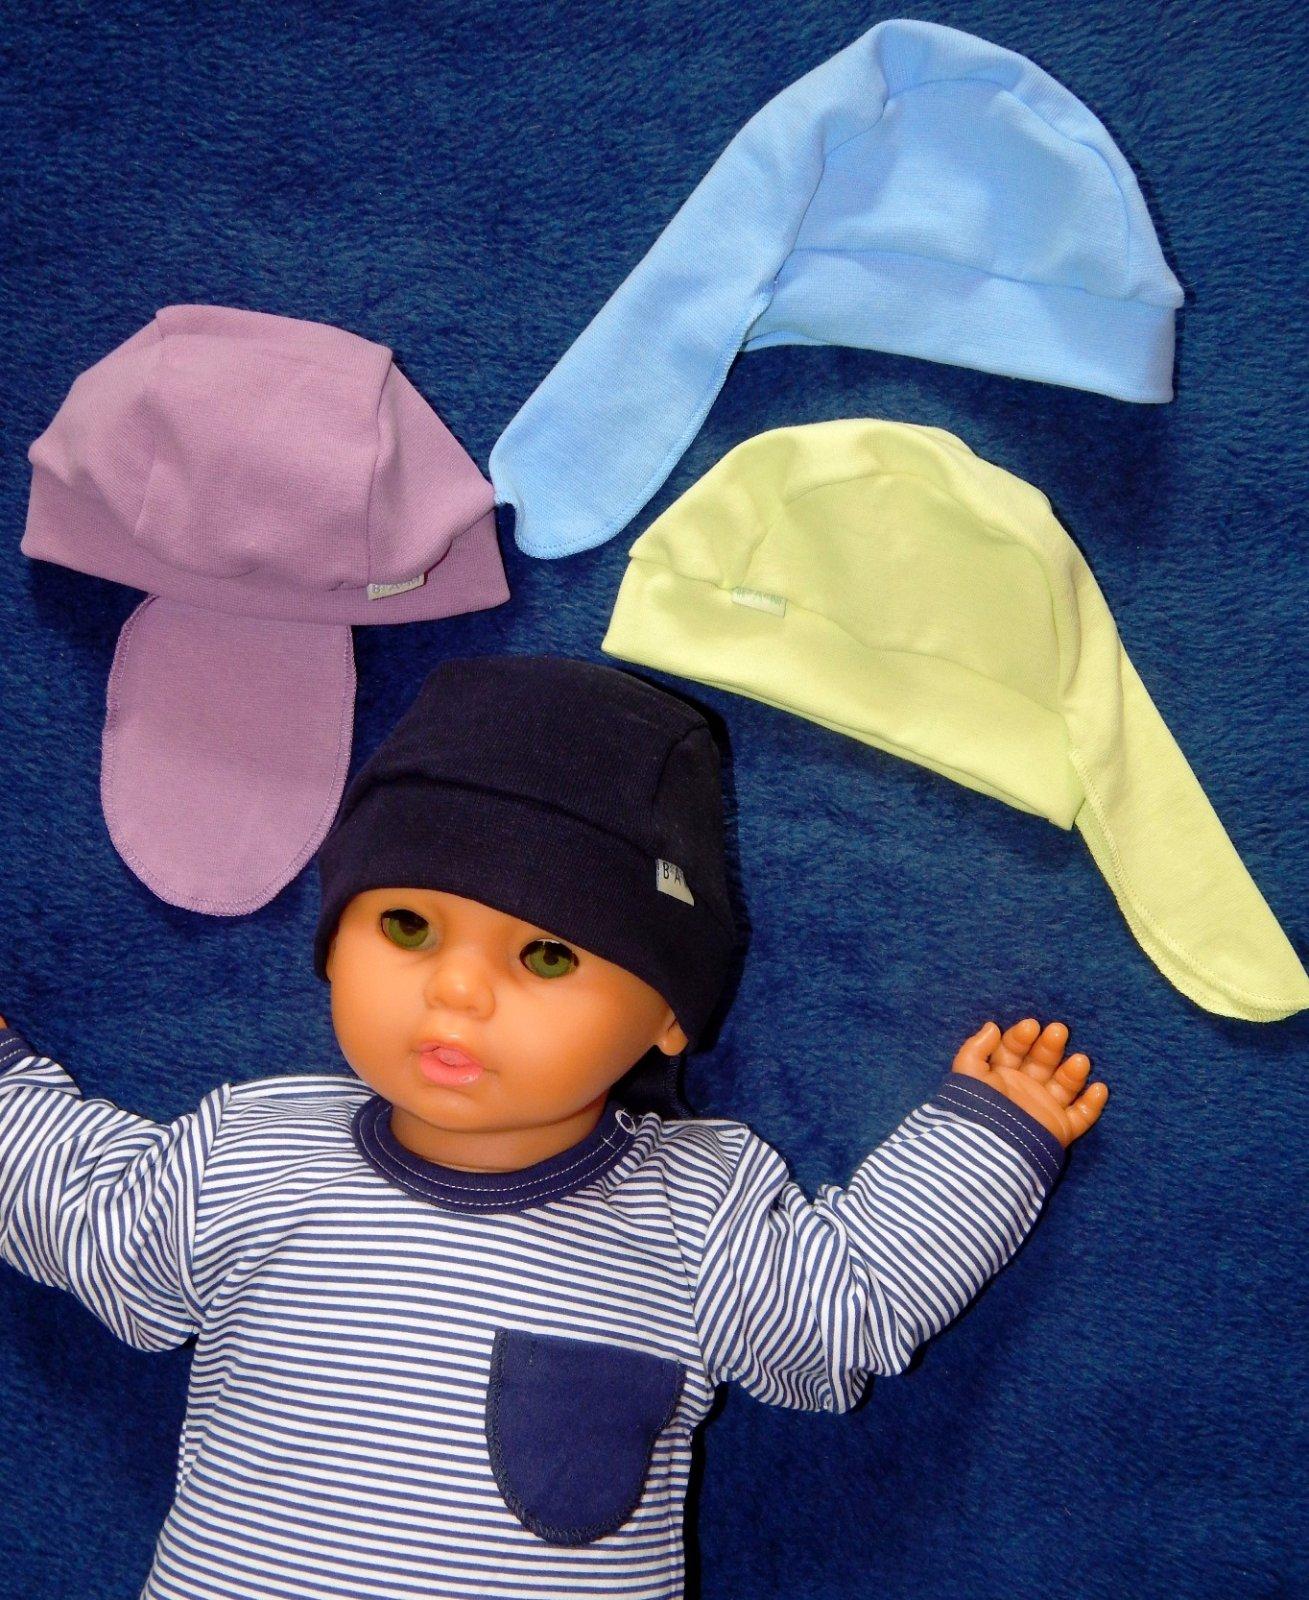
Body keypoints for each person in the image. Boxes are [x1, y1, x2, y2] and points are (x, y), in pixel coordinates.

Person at [0, 654, 1107, 1600]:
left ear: (668, 1015)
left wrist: (988, 1137)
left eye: (543, 954)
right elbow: (84, 1210)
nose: (456, 992)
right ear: (332, 942)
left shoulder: (692, 1211)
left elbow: (842, 1309)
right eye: (407, 926)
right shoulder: (253, 1149)